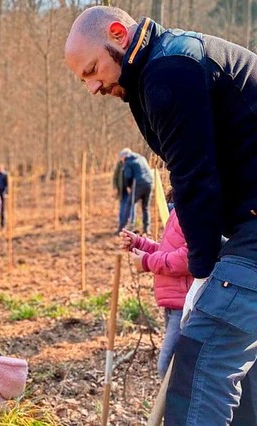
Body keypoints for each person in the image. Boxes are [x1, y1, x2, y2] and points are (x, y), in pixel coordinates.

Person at [65, 6, 257, 425]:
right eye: (84, 80)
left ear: (118, 34)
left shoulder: (168, 71)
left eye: (93, 70)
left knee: (202, 361)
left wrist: (202, 272)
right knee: (243, 371)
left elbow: (194, 176)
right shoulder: (162, 67)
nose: (93, 87)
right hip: (247, 224)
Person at [119, 191, 192, 379]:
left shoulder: (193, 211)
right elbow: (166, 250)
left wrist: (147, 261)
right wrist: (140, 243)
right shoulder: (178, 212)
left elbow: (187, 257)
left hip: (183, 305)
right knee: (171, 368)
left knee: (167, 366)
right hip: (172, 303)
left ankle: (177, 408)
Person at [118, 148, 153, 234]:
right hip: (150, 183)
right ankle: (146, 229)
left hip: (138, 184)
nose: (121, 161)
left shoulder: (128, 162)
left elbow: (127, 177)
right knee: (145, 207)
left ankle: (122, 227)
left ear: (124, 156)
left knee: (129, 204)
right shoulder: (141, 158)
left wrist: (129, 186)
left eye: (121, 158)